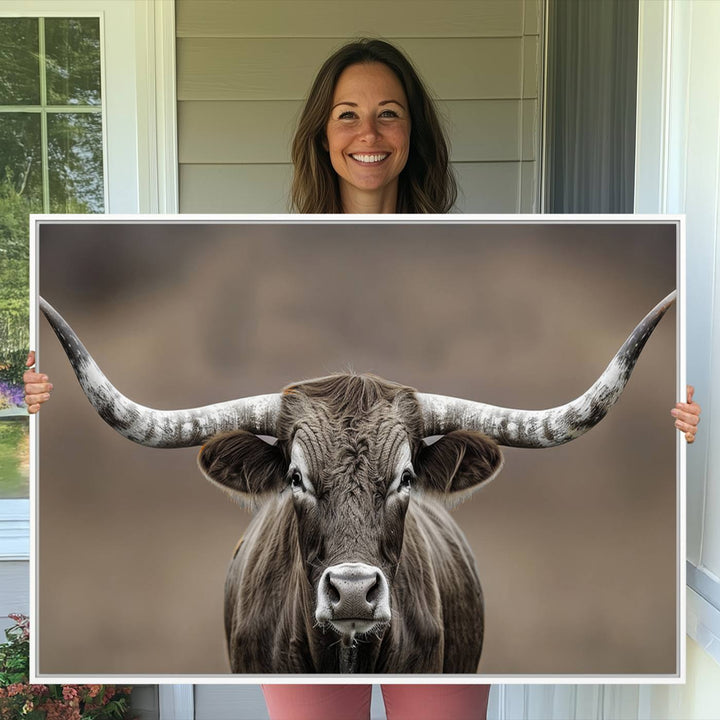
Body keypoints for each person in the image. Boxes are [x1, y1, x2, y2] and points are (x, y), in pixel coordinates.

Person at [24, 38, 701, 720]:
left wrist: (681, 420)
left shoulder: (471, 249)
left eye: (389, 114)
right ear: (322, 134)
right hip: (296, 556)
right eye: (347, 114)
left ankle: (361, 478)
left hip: (419, 583)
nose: (368, 134)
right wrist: (42, 395)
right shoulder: (263, 252)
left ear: (415, 132)